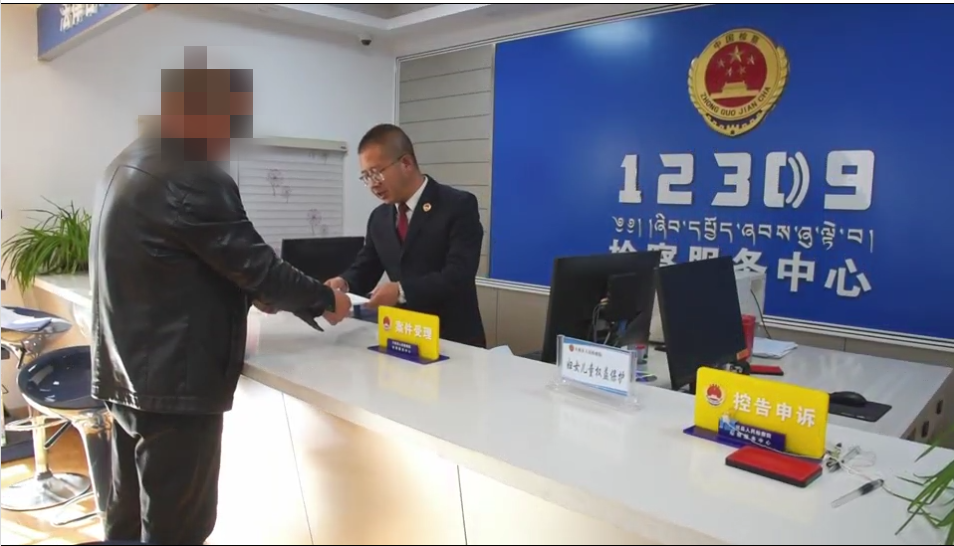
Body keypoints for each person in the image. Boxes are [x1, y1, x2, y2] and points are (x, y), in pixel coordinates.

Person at [89, 62, 352, 545]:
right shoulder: (189, 173)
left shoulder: (128, 161)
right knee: (178, 529)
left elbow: (181, 261)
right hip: (172, 387)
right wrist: (324, 299)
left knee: (125, 519)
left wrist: (250, 290)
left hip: (125, 373)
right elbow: (257, 265)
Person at [326, 124, 486, 347]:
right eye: (366, 176)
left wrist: (401, 291)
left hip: (452, 339)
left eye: (377, 173)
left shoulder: (457, 205)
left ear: (406, 163)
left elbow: (459, 274)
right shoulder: (379, 218)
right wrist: (344, 283)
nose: (373, 185)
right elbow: (366, 267)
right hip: (403, 338)